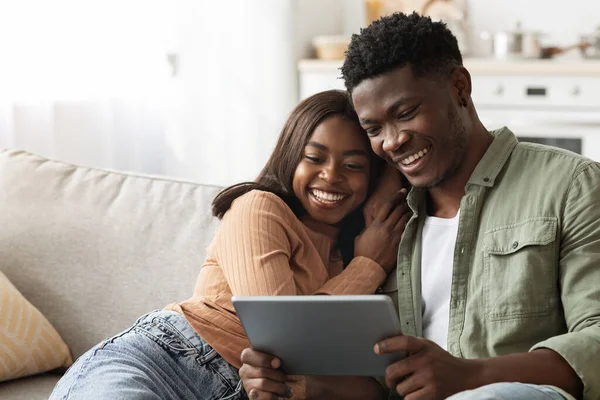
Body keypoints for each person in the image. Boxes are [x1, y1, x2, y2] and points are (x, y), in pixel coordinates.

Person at [238, 12, 600, 400]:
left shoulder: (570, 185)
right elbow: (377, 383)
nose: (391, 142)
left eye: (406, 113)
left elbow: (595, 339)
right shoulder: (382, 223)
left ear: (460, 87)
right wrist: (286, 376)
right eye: (374, 129)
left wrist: (469, 376)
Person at [49, 89, 410, 400]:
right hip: (165, 360)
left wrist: (384, 196)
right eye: (314, 158)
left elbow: (372, 386)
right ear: (290, 155)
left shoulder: (352, 256)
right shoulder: (260, 208)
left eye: (354, 165)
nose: (331, 175)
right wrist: (369, 265)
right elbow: (285, 340)